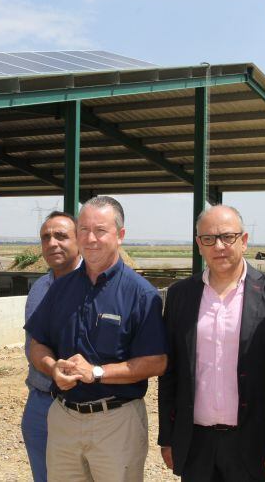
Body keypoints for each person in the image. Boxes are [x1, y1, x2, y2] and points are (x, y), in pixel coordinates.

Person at [25, 196, 167, 482]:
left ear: (120, 235)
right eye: (84, 230)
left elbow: (156, 362)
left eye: (100, 230)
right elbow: (37, 343)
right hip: (64, 417)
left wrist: (96, 373)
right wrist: (53, 367)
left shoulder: (141, 294)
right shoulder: (60, 288)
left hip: (115, 421)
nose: (90, 239)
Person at [158, 205, 265, 481]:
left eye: (228, 236)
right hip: (197, 443)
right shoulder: (180, 296)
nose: (220, 246)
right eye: (209, 239)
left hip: (253, 442)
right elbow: (170, 372)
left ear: (245, 241)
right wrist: (168, 437)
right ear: (199, 245)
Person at [21, 211, 82, 481]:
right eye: (46, 237)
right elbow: (31, 346)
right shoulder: (39, 288)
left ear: (79, 240)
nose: (53, 243)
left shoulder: (96, 285)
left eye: (61, 236)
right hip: (40, 402)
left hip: (80, 405)